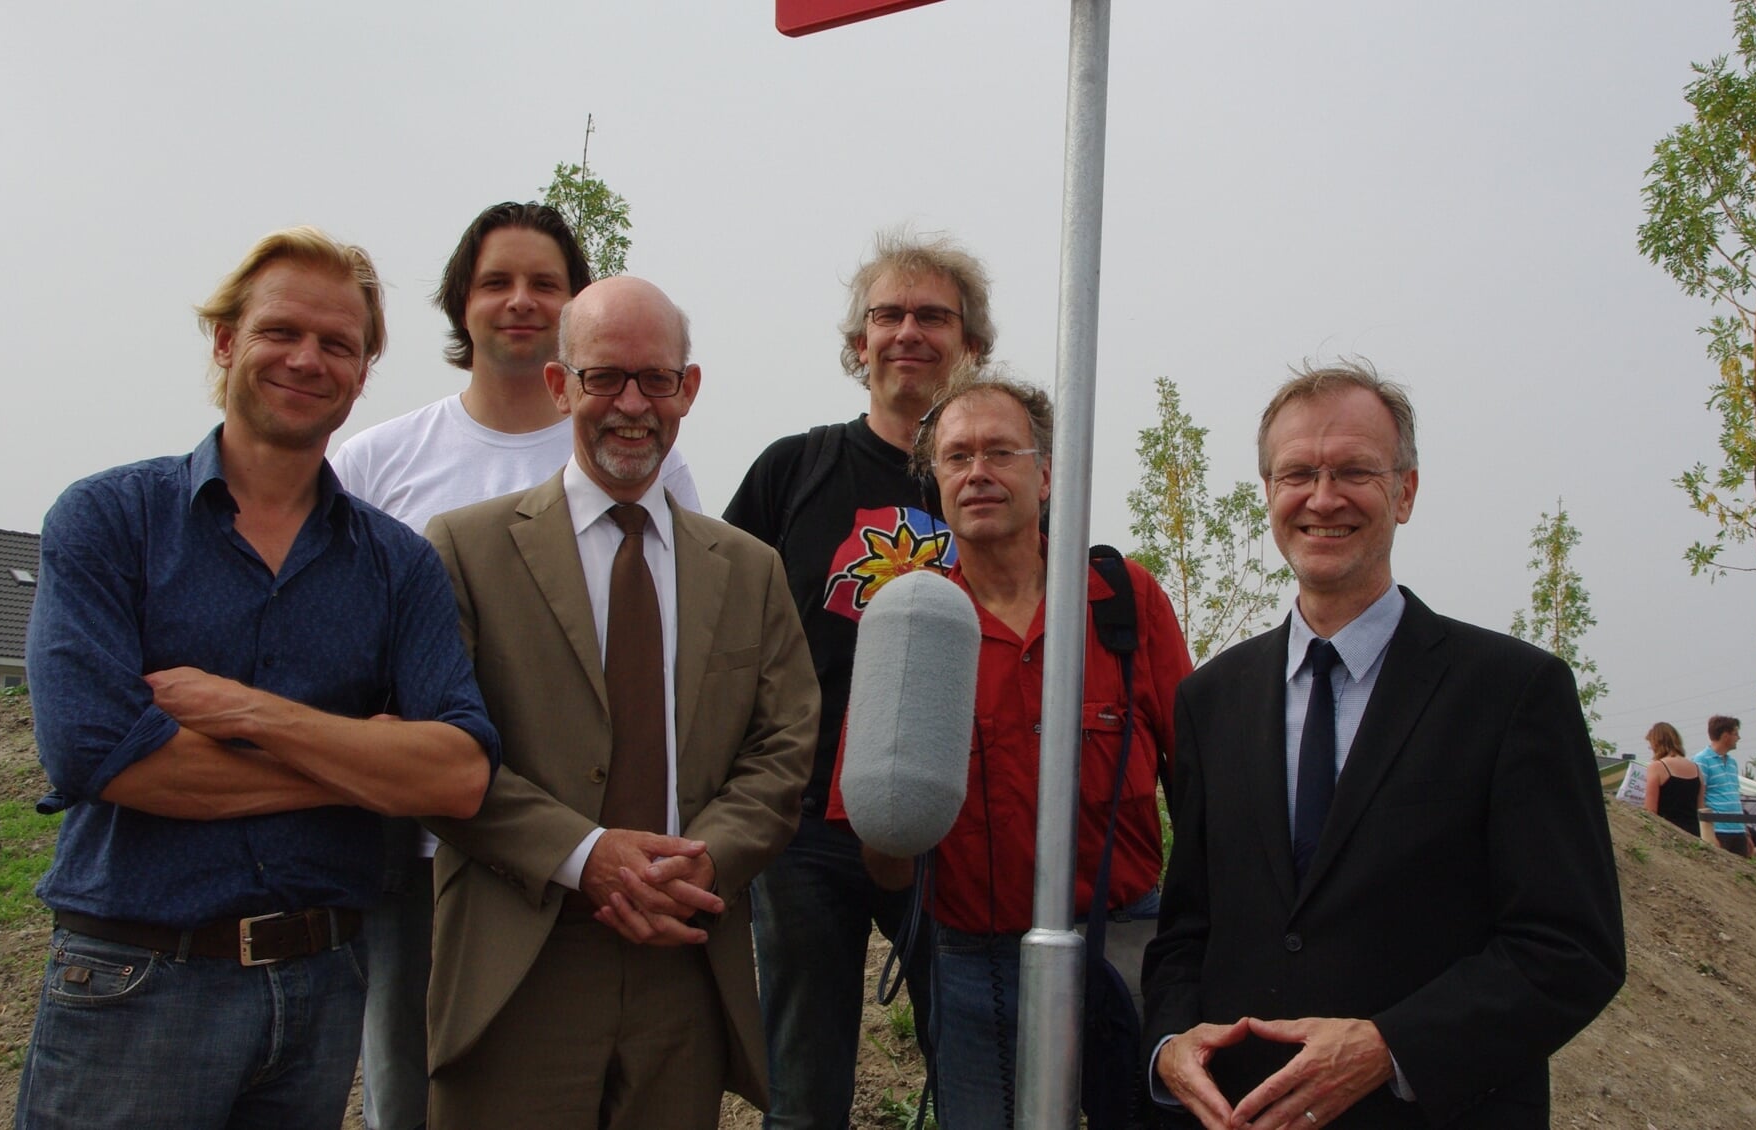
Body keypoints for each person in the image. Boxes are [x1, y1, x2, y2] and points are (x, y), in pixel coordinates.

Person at [16, 227, 500, 1130]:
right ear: (226, 341)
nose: (307, 359)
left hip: (321, 992)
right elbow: (96, 753)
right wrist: (361, 767)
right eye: (283, 331)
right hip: (137, 979)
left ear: (362, 375)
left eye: (338, 345)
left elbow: (458, 774)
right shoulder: (109, 523)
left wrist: (249, 713)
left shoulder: (400, 565)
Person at [1141, 362, 1625, 1129]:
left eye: (1355, 471)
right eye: (1298, 472)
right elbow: (1187, 930)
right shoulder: (1211, 700)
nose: (1323, 497)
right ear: (1268, 492)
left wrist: (1388, 1046)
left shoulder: (1513, 692)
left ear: (1405, 492)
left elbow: (1570, 947)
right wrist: (1168, 1041)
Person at [330, 201, 700, 1130]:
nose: (520, 299)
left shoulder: (640, 449)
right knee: (416, 1079)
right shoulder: (376, 462)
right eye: (497, 281)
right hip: (423, 846)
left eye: (547, 282)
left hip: (598, 852)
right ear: (461, 304)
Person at [419, 276, 818, 1129]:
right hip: (522, 953)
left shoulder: (750, 570)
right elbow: (438, 752)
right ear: (560, 385)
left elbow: (784, 746)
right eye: (604, 377)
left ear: (689, 389)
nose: (631, 404)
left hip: (685, 954)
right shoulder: (466, 549)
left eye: (656, 379)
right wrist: (583, 854)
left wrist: (703, 861)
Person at [826, 374, 1192, 1129]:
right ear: (936, 479)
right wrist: (893, 830)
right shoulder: (911, 624)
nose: (978, 472)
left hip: (1125, 944)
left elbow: (1200, 787)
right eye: (957, 457)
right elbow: (876, 844)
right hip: (973, 968)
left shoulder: (1127, 604)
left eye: (1002, 451)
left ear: (1047, 473)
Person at [723, 229, 995, 1128]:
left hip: (954, 823)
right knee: (802, 1084)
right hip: (806, 825)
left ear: (972, 345)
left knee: (975, 1073)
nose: (908, 332)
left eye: (933, 316)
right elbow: (721, 632)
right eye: (888, 314)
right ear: (858, 343)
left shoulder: (994, 486)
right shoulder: (793, 471)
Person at [1693, 715, 1751, 857]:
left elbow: (1734, 796)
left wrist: (1746, 831)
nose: (1739, 738)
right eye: (1735, 733)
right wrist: (1708, 833)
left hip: (1737, 829)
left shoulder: (1732, 763)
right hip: (1719, 830)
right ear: (1725, 736)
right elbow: (1699, 797)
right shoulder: (1701, 760)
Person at [1642, 722, 1705, 839]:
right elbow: (1701, 807)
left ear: (1656, 743)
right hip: (1694, 833)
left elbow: (1650, 810)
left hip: (1669, 834)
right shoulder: (1696, 768)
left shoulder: (1657, 767)